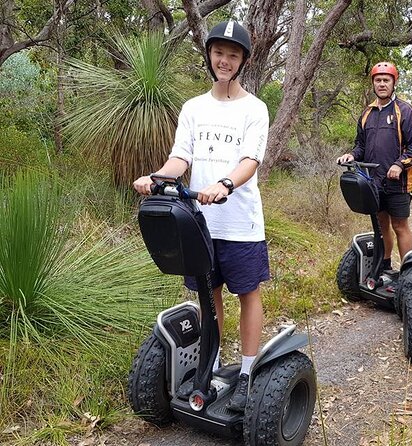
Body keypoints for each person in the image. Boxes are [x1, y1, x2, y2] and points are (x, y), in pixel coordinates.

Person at [133, 20, 269, 413]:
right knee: (208, 299)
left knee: (247, 293)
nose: (224, 60)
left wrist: (225, 184)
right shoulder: (193, 107)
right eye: (219, 53)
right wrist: (157, 177)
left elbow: (250, 160)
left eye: (233, 54)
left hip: (240, 222)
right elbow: (181, 157)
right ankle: (209, 365)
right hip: (198, 222)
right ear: (209, 56)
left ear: (242, 60)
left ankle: (246, 372)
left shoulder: (254, 108)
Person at [336, 61, 412, 272]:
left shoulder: (404, 110)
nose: (382, 84)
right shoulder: (367, 112)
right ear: (373, 84)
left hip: (399, 182)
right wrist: (351, 155)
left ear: (394, 83)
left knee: (400, 226)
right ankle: (384, 267)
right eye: (378, 80)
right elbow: (361, 145)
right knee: (381, 225)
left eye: (386, 80)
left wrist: (399, 165)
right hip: (373, 182)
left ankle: (408, 273)